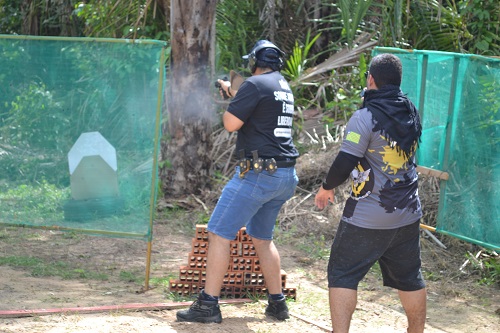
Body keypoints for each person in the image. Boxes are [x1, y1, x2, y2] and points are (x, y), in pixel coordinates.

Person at [176, 40, 299, 324]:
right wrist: (237, 94)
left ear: (255, 61)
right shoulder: (282, 85)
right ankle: (277, 304)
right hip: (283, 176)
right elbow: (261, 114)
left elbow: (231, 123)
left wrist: (235, 96)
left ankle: (208, 304)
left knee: (219, 233)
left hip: (258, 175)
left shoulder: (254, 85)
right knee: (262, 237)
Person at [314, 53, 426, 333]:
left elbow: (346, 160)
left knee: (342, 275)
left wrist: (327, 187)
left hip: (367, 217)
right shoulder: (410, 110)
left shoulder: (364, 117)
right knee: (411, 278)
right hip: (408, 214)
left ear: (371, 79)